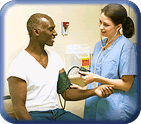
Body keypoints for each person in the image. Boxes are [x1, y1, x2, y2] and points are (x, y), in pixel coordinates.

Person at [7, 13, 114, 121]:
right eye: (51, 29)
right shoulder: (19, 64)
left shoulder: (55, 58)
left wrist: (95, 90)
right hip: (34, 115)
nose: (55, 33)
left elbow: (67, 93)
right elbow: (19, 109)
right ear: (36, 32)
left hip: (57, 113)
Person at [78, 4, 138, 121]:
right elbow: (99, 74)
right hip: (93, 106)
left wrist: (95, 78)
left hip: (115, 109)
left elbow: (126, 85)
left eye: (106, 25)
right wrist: (84, 88)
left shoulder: (127, 47)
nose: (101, 27)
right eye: (100, 22)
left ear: (118, 26)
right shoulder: (98, 46)